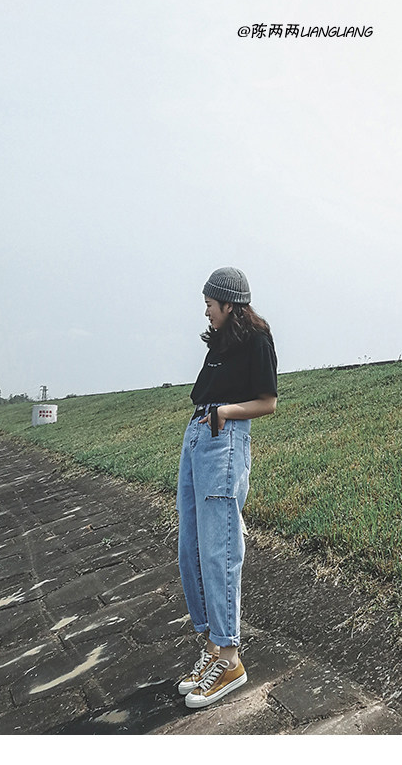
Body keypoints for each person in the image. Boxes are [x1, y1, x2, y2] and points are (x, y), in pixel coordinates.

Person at [175, 267, 278, 709]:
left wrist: (223, 414)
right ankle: (212, 647)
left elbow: (268, 402)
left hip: (224, 437)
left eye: (210, 304)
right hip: (198, 434)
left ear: (229, 303)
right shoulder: (218, 341)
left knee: (219, 548)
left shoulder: (257, 339)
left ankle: (230, 657)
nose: (206, 311)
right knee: (191, 547)